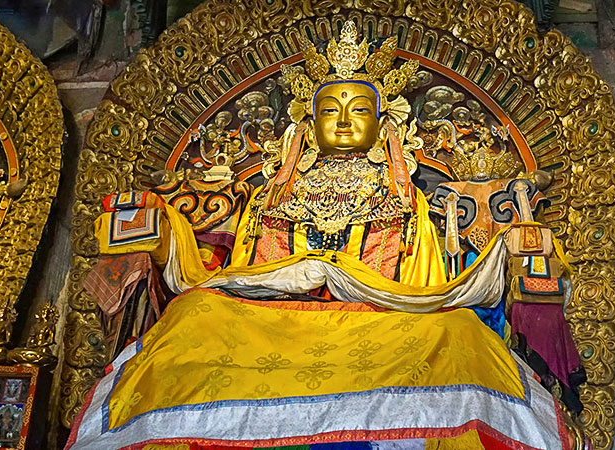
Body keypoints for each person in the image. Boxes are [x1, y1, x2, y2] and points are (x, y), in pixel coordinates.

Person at [68, 20, 574, 450]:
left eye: (359, 110)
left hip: (381, 324)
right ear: (308, 127)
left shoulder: (405, 199)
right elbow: (242, 274)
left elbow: (423, 288)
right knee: (194, 313)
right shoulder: (271, 196)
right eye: (331, 110)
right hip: (271, 325)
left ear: (386, 125)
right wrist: (165, 223)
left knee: (459, 331)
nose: (345, 120)